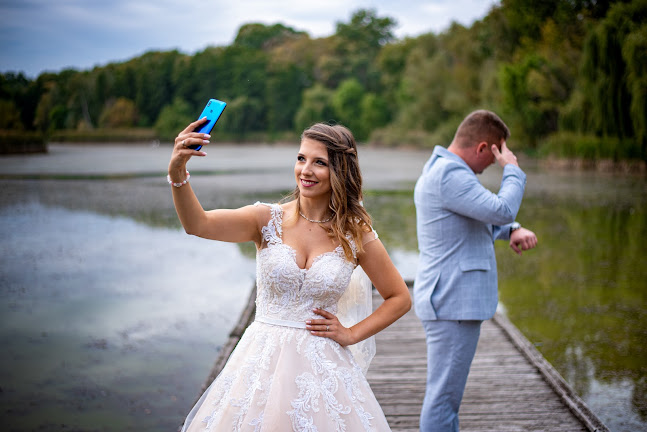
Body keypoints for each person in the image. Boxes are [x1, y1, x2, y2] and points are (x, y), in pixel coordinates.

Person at [168, 119, 411, 431]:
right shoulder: (265, 219)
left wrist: (351, 334)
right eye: (301, 158)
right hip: (260, 365)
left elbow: (399, 298)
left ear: (340, 171)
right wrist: (178, 173)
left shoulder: (355, 233)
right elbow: (197, 224)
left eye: (319, 163)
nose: (305, 170)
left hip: (324, 370)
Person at [413, 110, 538, 431]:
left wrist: (511, 230)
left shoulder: (443, 170)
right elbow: (501, 208)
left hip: (449, 299)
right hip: (452, 301)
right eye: (495, 157)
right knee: (443, 399)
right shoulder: (450, 174)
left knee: (445, 396)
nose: (491, 167)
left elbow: (471, 219)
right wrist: (512, 171)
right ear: (484, 148)